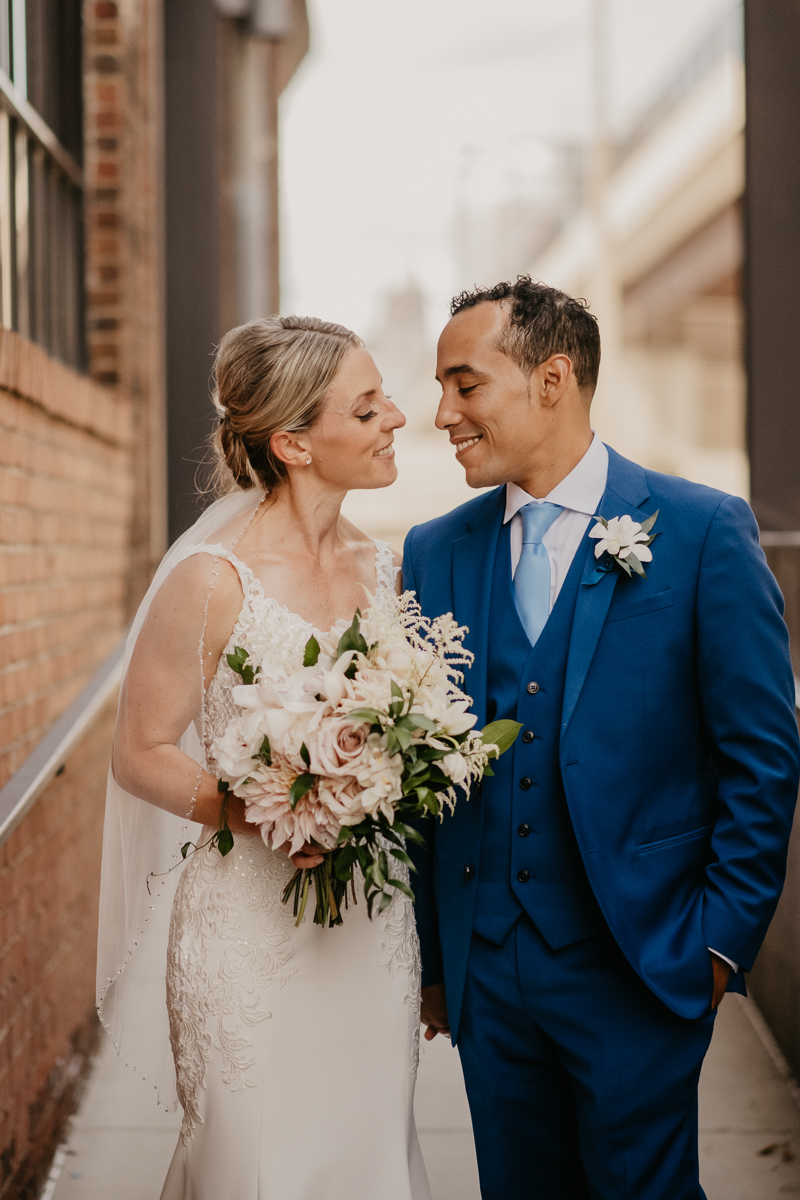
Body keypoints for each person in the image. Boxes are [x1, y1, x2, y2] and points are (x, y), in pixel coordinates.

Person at [402, 277, 800, 1199]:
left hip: (643, 960)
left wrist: (719, 943)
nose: (441, 414)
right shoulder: (433, 550)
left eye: (466, 385)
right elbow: (419, 767)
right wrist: (434, 959)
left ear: (552, 378)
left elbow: (763, 753)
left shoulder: (701, 530)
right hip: (488, 972)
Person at [98, 316, 431, 1200]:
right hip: (246, 933)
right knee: (254, 1166)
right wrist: (254, 809)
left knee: (366, 1153)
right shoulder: (211, 580)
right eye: (365, 410)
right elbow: (139, 753)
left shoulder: (389, 570)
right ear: (293, 443)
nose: (396, 416)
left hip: (371, 926)